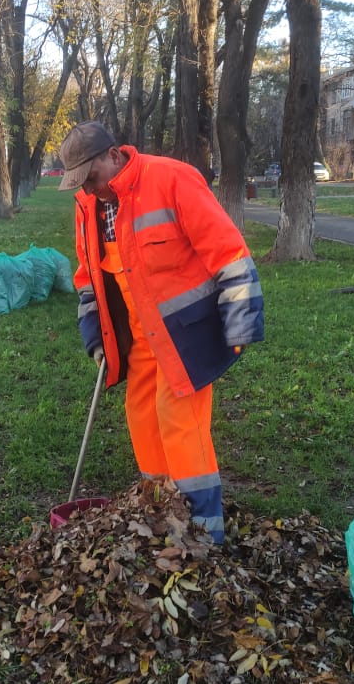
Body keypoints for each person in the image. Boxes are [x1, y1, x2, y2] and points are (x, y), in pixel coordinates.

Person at [58, 121, 264, 544]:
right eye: (80, 183)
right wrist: (95, 332)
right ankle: (161, 514)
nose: (90, 189)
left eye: (91, 178)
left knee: (181, 426)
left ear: (112, 155)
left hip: (185, 336)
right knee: (143, 420)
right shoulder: (88, 205)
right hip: (138, 338)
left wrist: (240, 321)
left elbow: (228, 250)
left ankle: (204, 535)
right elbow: (88, 276)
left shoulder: (171, 179)